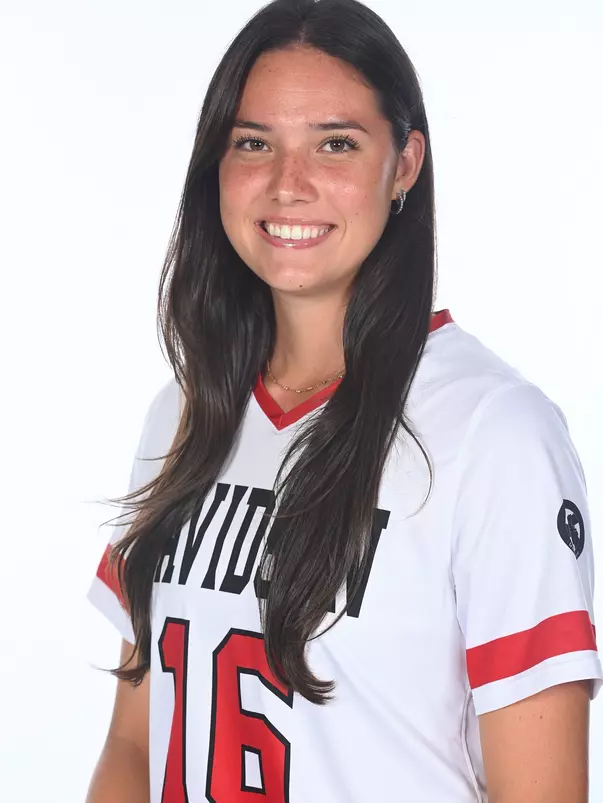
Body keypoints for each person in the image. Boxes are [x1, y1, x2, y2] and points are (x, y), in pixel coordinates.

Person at [85, 1, 602, 801]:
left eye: (335, 144)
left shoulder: (494, 433)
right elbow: (131, 745)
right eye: (252, 143)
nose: (288, 185)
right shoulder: (186, 412)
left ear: (403, 164)